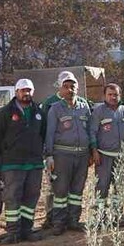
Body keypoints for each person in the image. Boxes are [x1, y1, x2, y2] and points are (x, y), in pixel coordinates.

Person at [0, 78, 46, 244]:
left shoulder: (39, 113)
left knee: (31, 196)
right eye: (22, 90)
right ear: (16, 92)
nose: (26, 93)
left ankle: (27, 230)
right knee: (12, 197)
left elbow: (42, 135)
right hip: (13, 164)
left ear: (32, 92)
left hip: (34, 164)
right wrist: (7, 151)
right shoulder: (4, 113)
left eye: (29, 90)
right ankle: (13, 232)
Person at [44, 70, 93, 235]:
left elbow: (90, 130)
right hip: (62, 155)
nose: (69, 90)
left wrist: (92, 152)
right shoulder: (55, 109)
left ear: (77, 88)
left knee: (77, 190)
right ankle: (58, 222)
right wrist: (49, 156)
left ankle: (74, 220)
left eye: (73, 86)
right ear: (60, 89)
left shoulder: (84, 106)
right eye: (66, 86)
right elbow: (49, 133)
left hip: (82, 155)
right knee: (60, 190)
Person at [90, 82, 124, 212]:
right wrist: (94, 152)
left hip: (122, 157)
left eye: (116, 95)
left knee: (120, 187)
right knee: (102, 186)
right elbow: (92, 132)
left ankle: (116, 215)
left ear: (120, 95)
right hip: (104, 156)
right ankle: (100, 216)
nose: (113, 97)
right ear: (104, 95)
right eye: (110, 94)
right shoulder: (98, 112)